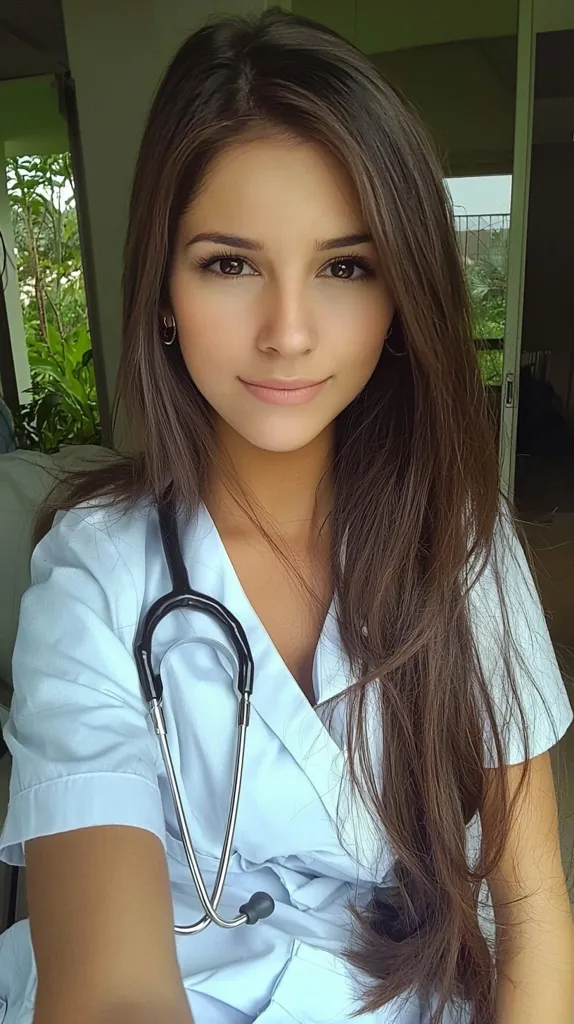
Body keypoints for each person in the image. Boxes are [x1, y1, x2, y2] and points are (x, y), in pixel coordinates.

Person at [0, 9, 572, 1024]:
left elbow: (530, 908)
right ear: (163, 290)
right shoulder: (95, 576)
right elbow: (111, 991)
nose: (289, 333)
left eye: (345, 266)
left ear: (398, 297)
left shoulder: (460, 539)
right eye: (230, 263)